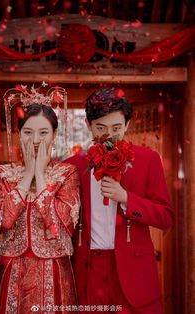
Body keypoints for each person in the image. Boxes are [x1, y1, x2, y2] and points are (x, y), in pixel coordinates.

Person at [66, 87, 174, 314]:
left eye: (116, 128)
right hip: (90, 268)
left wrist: (126, 199)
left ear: (127, 125)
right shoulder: (73, 166)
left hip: (134, 270)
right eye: (100, 128)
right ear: (88, 125)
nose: (109, 136)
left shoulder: (148, 160)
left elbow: (166, 217)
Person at [0, 87, 80, 314]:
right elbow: (3, 221)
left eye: (43, 133)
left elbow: (59, 225)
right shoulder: (3, 173)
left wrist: (39, 175)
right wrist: (27, 174)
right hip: (13, 271)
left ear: (54, 135)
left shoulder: (67, 173)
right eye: (28, 132)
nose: (35, 140)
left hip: (54, 270)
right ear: (19, 134)